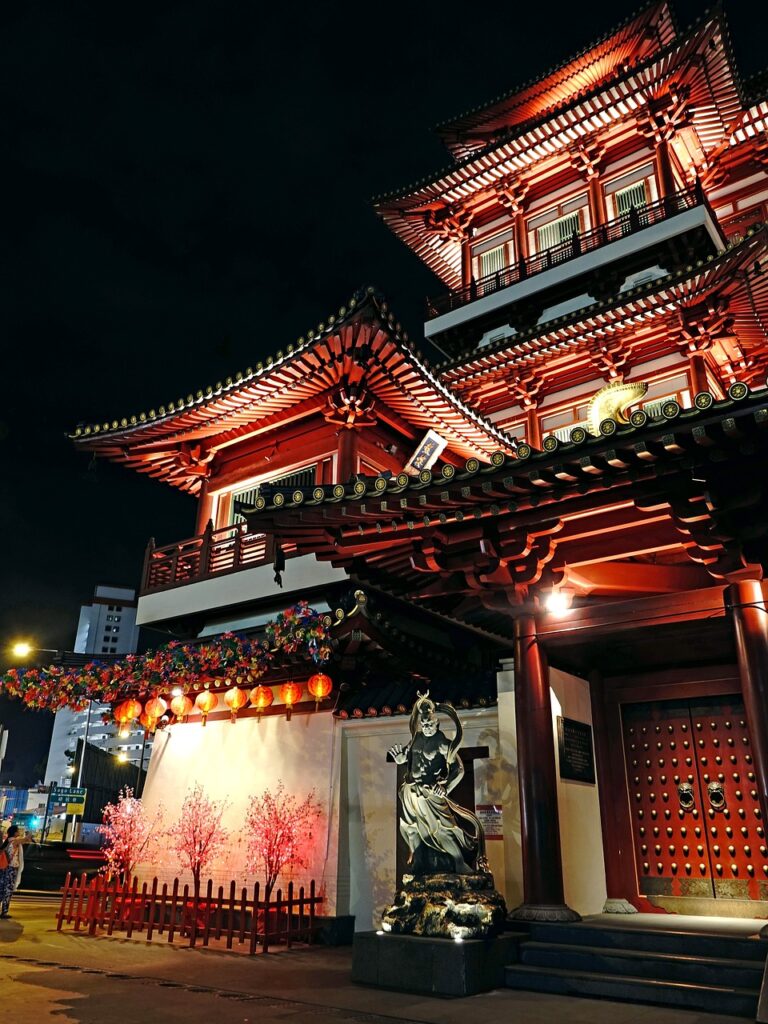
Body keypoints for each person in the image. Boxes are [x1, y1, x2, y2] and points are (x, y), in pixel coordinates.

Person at [388, 692, 488, 876]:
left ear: (437, 723)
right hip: (410, 790)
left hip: (431, 793)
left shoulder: (443, 744)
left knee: (444, 828)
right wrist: (402, 759)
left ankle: (458, 863)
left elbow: (458, 769)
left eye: (430, 723)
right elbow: (408, 759)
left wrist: (445, 787)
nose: (426, 726)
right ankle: (418, 862)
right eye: (423, 723)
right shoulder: (415, 739)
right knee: (412, 828)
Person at [0, 824, 24, 918]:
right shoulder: (14, 842)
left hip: (3, 868)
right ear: (15, 833)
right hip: (11, 869)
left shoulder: (5, 842)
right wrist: (28, 837)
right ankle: (4, 912)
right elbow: (24, 840)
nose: (19, 832)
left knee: (1, 889)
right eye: (18, 831)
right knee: (8, 890)